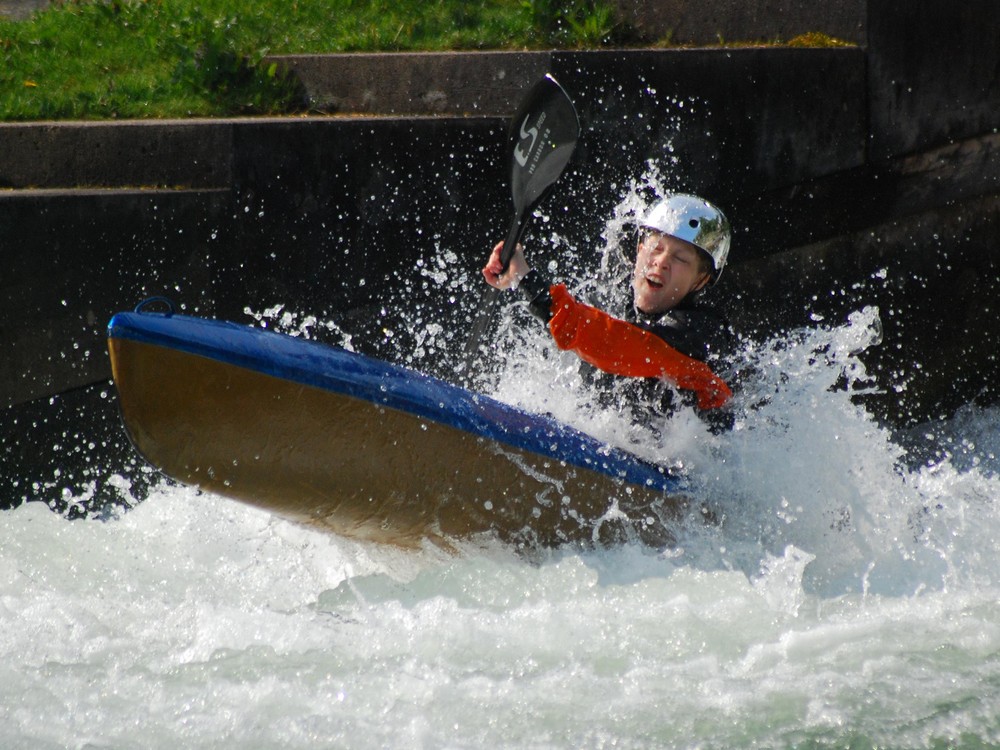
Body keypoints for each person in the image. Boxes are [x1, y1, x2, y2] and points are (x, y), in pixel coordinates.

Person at [482, 192, 737, 428]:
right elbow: (582, 324)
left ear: (700, 280)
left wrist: (527, 279)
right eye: (655, 248)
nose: (661, 262)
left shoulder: (701, 334)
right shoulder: (614, 301)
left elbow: (615, 343)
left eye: (680, 259)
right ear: (639, 251)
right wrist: (515, 275)